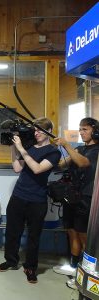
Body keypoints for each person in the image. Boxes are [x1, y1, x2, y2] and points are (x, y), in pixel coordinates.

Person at [0, 117, 61, 284]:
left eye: (40, 130)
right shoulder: (30, 147)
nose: (36, 132)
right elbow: (17, 168)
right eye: (35, 130)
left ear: (49, 132)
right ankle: (11, 261)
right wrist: (13, 147)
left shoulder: (53, 152)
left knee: (33, 237)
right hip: (18, 196)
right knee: (12, 232)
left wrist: (21, 148)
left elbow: (38, 169)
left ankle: (30, 267)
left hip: (37, 200)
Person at [52, 117, 99, 289]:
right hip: (71, 197)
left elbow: (83, 163)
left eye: (85, 129)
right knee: (71, 231)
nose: (81, 132)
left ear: (94, 130)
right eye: (80, 129)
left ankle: (86, 274)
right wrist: (54, 150)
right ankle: (74, 269)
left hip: (86, 199)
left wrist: (67, 145)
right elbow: (61, 164)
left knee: (83, 235)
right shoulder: (79, 148)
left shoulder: (96, 150)